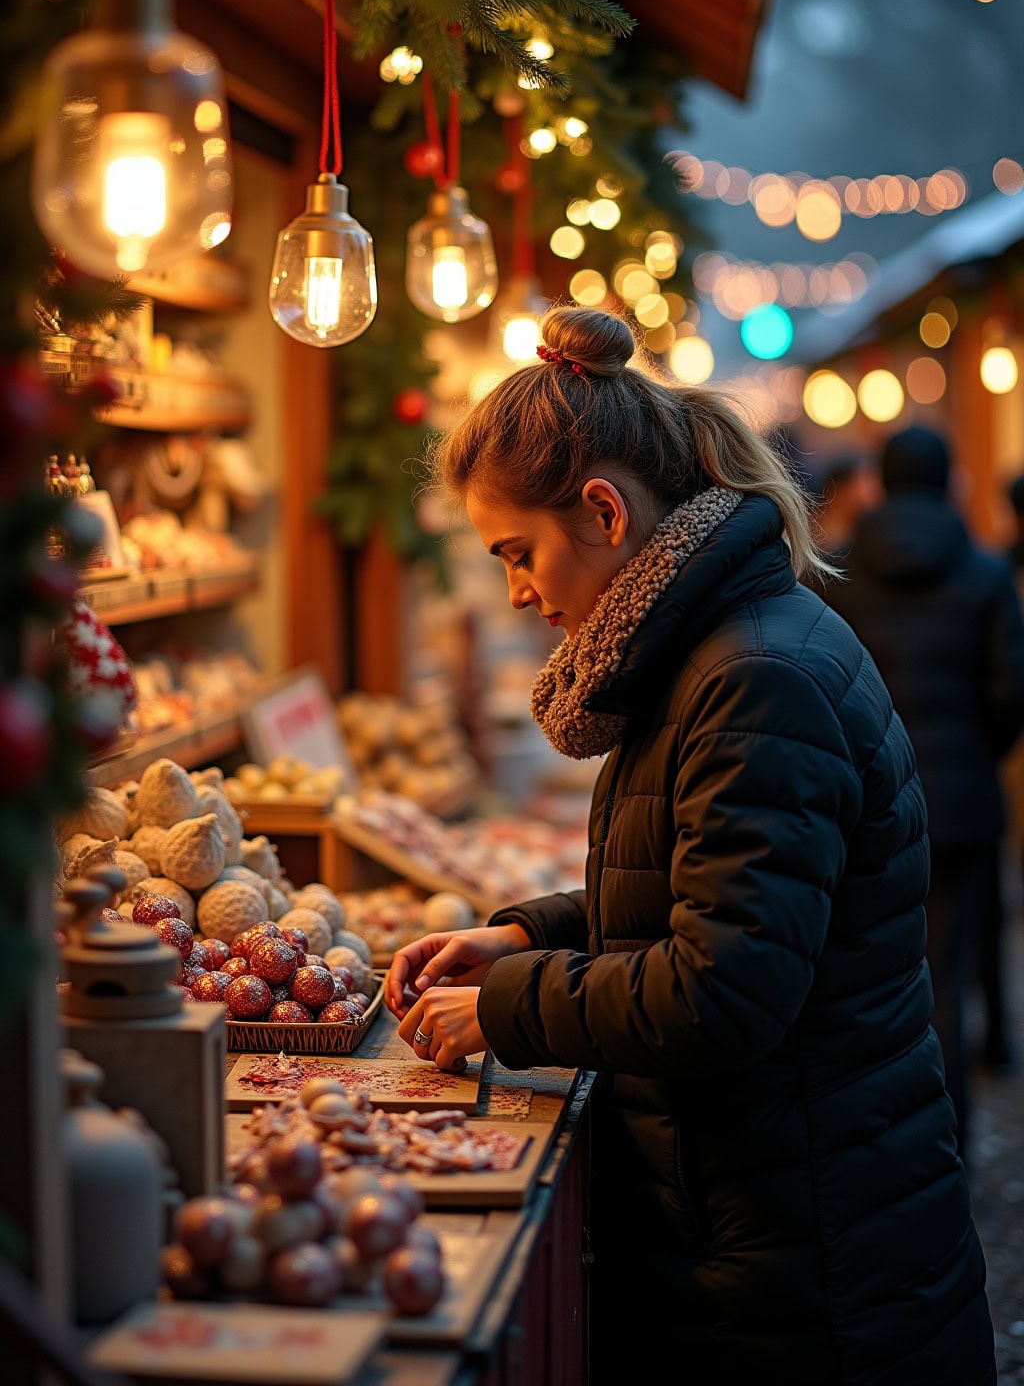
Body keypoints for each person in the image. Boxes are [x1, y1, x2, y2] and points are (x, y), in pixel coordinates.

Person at [385, 308, 995, 1386]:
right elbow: (696, 892)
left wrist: (511, 1005)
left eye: (517, 555)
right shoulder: (711, 650)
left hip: (807, 1273)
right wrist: (524, 934)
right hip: (778, 1228)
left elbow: (725, 990)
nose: (519, 594)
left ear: (605, 512)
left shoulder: (750, 676)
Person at [828, 427, 1024, 1147]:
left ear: (880, 483)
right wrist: (974, 753)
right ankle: (950, 1150)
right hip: (962, 801)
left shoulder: (838, 572)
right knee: (946, 978)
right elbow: (1012, 695)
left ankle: (880, 1151)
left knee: (871, 980)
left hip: (865, 811)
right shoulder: (983, 573)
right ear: (947, 483)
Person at [810, 451, 880, 561]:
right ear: (841, 489)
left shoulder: (865, 534)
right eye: (866, 482)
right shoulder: (811, 538)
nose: (875, 491)